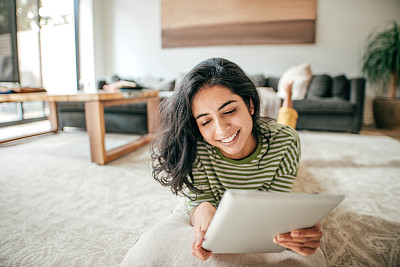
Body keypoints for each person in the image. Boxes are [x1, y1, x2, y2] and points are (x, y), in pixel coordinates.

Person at [121, 58, 324, 266]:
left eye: (229, 111)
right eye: (206, 121)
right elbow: (199, 200)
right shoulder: (195, 146)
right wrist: (203, 211)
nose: (221, 129)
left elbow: (274, 205)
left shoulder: (285, 142)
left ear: (250, 105)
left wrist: (295, 229)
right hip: (198, 200)